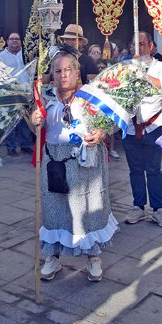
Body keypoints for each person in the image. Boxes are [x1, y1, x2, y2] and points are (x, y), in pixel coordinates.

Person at [30, 49, 118, 282]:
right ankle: (53, 256)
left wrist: (101, 132)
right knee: (54, 208)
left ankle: (92, 255)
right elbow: (36, 130)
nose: (63, 75)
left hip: (85, 159)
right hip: (55, 158)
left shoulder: (91, 96)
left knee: (87, 208)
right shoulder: (45, 97)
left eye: (67, 70)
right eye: (57, 71)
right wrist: (34, 121)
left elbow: (112, 121)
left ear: (77, 72)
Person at [121, 31, 162, 228]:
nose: (139, 49)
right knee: (135, 169)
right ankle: (138, 207)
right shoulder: (125, 67)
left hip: (153, 126)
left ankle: (157, 209)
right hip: (129, 127)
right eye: (135, 45)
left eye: (142, 44)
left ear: (151, 46)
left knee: (153, 169)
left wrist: (144, 75)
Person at [0, 33, 33, 156]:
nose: (14, 41)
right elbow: (0, 76)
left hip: (25, 92)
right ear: (7, 41)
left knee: (25, 120)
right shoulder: (1, 56)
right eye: (12, 38)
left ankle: (26, 145)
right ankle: (11, 147)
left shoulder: (26, 53)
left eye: (17, 39)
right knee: (11, 121)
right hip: (10, 93)